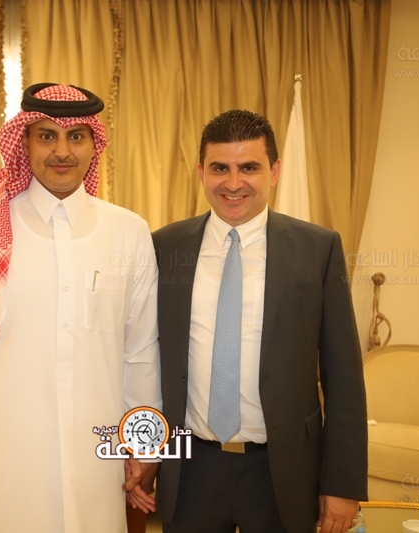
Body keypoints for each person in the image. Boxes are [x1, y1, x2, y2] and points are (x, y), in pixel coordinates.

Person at [0, 83, 161, 532]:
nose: (62, 151)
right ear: (24, 143)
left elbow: (140, 352)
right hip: (8, 460)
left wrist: (145, 444)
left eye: (76, 136)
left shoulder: (128, 232)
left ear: (94, 145)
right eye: (47, 136)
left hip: (99, 458)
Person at [152, 109, 367, 533]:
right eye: (220, 168)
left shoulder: (318, 249)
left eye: (249, 167)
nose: (233, 183)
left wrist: (342, 484)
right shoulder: (164, 247)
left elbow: (344, 376)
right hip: (190, 469)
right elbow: (142, 357)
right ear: (201, 172)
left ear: (275, 171)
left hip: (282, 473)